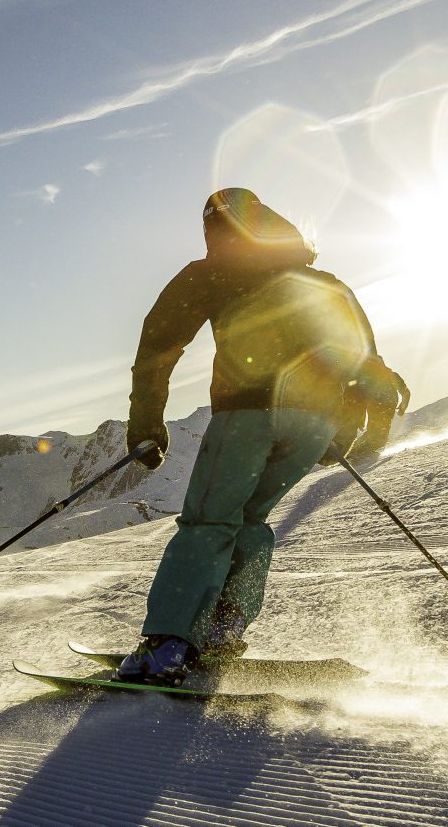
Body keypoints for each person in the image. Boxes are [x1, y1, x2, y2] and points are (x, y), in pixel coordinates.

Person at [115, 187, 408, 685]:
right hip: (313, 423)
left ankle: (169, 646)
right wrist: (350, 426)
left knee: (211, 521)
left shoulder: (209, 274)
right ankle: (225, 627)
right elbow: (365, 360)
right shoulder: (323, 283)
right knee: (252, 520)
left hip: (247, 414)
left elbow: (158, 347)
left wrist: (146, 422)